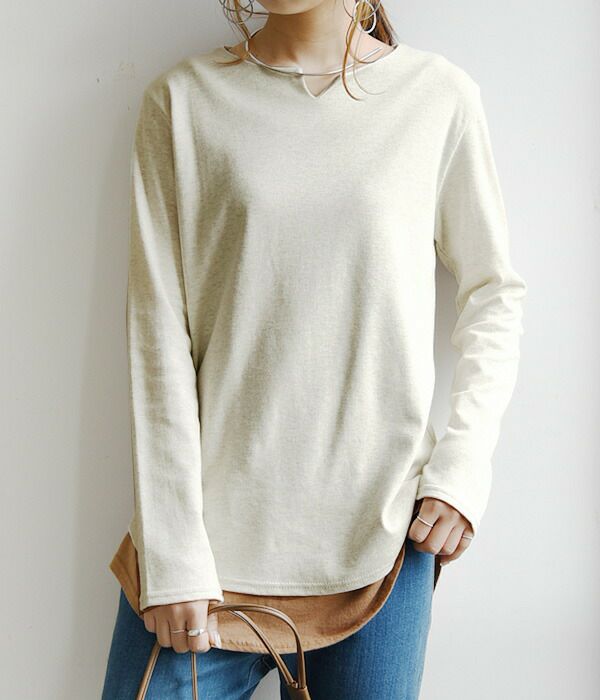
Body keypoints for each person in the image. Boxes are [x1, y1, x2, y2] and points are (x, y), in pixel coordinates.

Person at [101, 1, 527, 698]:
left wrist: (462, 470)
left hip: (380, 541)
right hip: (204, 555)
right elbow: (156, 334)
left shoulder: (437, 98)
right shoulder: (181, 103)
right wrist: (171, 553)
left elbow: (494, 293)